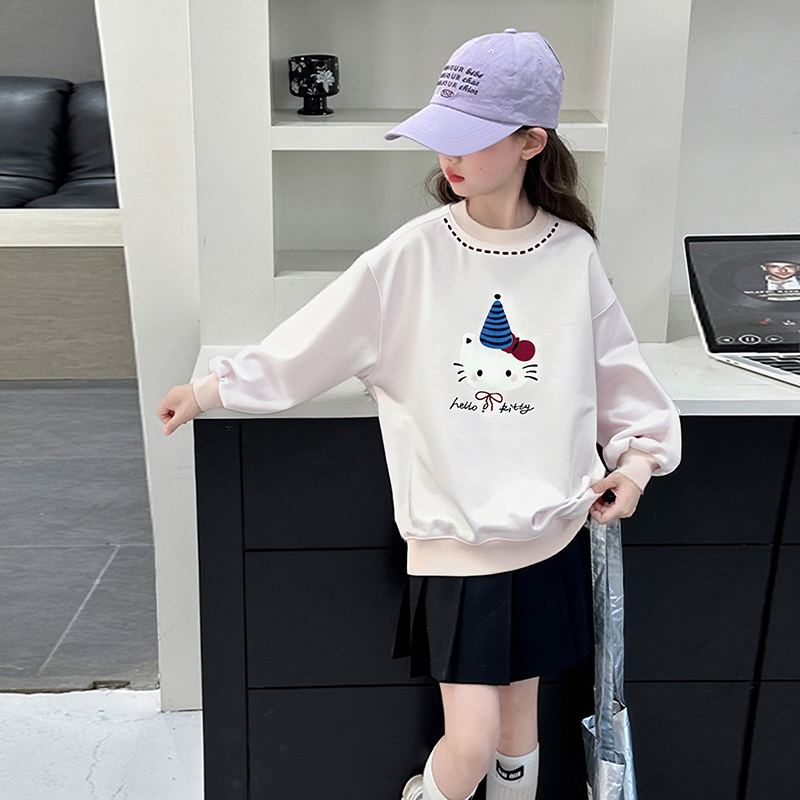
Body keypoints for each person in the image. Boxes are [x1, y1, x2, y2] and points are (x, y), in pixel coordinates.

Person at [157, 29, 681, 800]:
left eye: (471, 137)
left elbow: (620, 379)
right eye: (442, 135)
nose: (449, 156)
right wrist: (212, 389)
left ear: (532, 141)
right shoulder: (414, 256)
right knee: (469, 744)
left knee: (519, 733)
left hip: (551, 536)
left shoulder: (572, 256)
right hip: (455, 547)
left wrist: (634, 465)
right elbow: (315, 341)